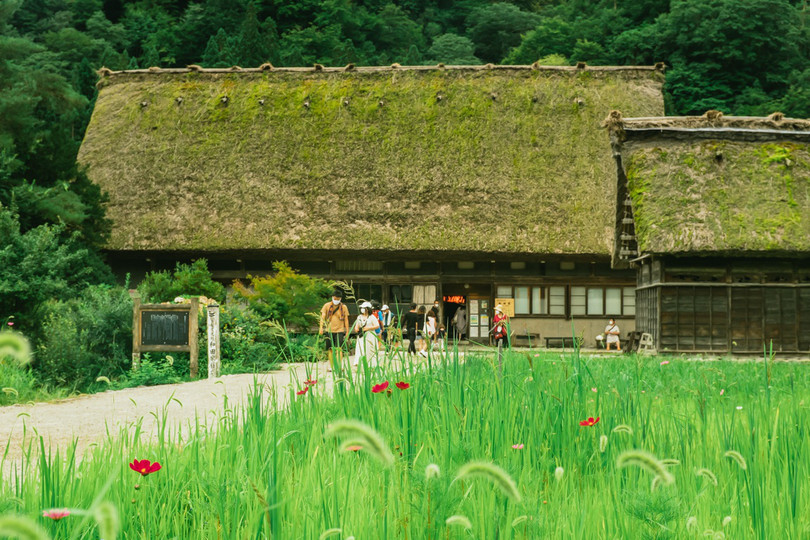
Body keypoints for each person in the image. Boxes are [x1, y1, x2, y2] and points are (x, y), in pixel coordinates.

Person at [319, 289, 350, 370]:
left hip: (339, 330)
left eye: (338, 299)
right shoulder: (327, 305)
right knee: (330, 349)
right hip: (329, 330)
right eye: (335, 299)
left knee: (339, 349)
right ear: (332, 297)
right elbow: (322, 317)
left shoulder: (343, 307)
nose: (336, 300)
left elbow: (346, 319)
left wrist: (347, 331)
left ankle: (339, 365)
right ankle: (331, 365)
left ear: (340, 299)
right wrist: (321, 327)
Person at [352, 301, 381, 366]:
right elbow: (357, 325)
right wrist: (356, 328)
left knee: (369, 349)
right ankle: (359, 362)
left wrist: (368, 328)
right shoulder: (359, 317)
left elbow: (377, 326)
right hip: (362, 335)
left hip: (370, 335)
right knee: (361, 348)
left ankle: (371, 363)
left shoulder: (372, 317)